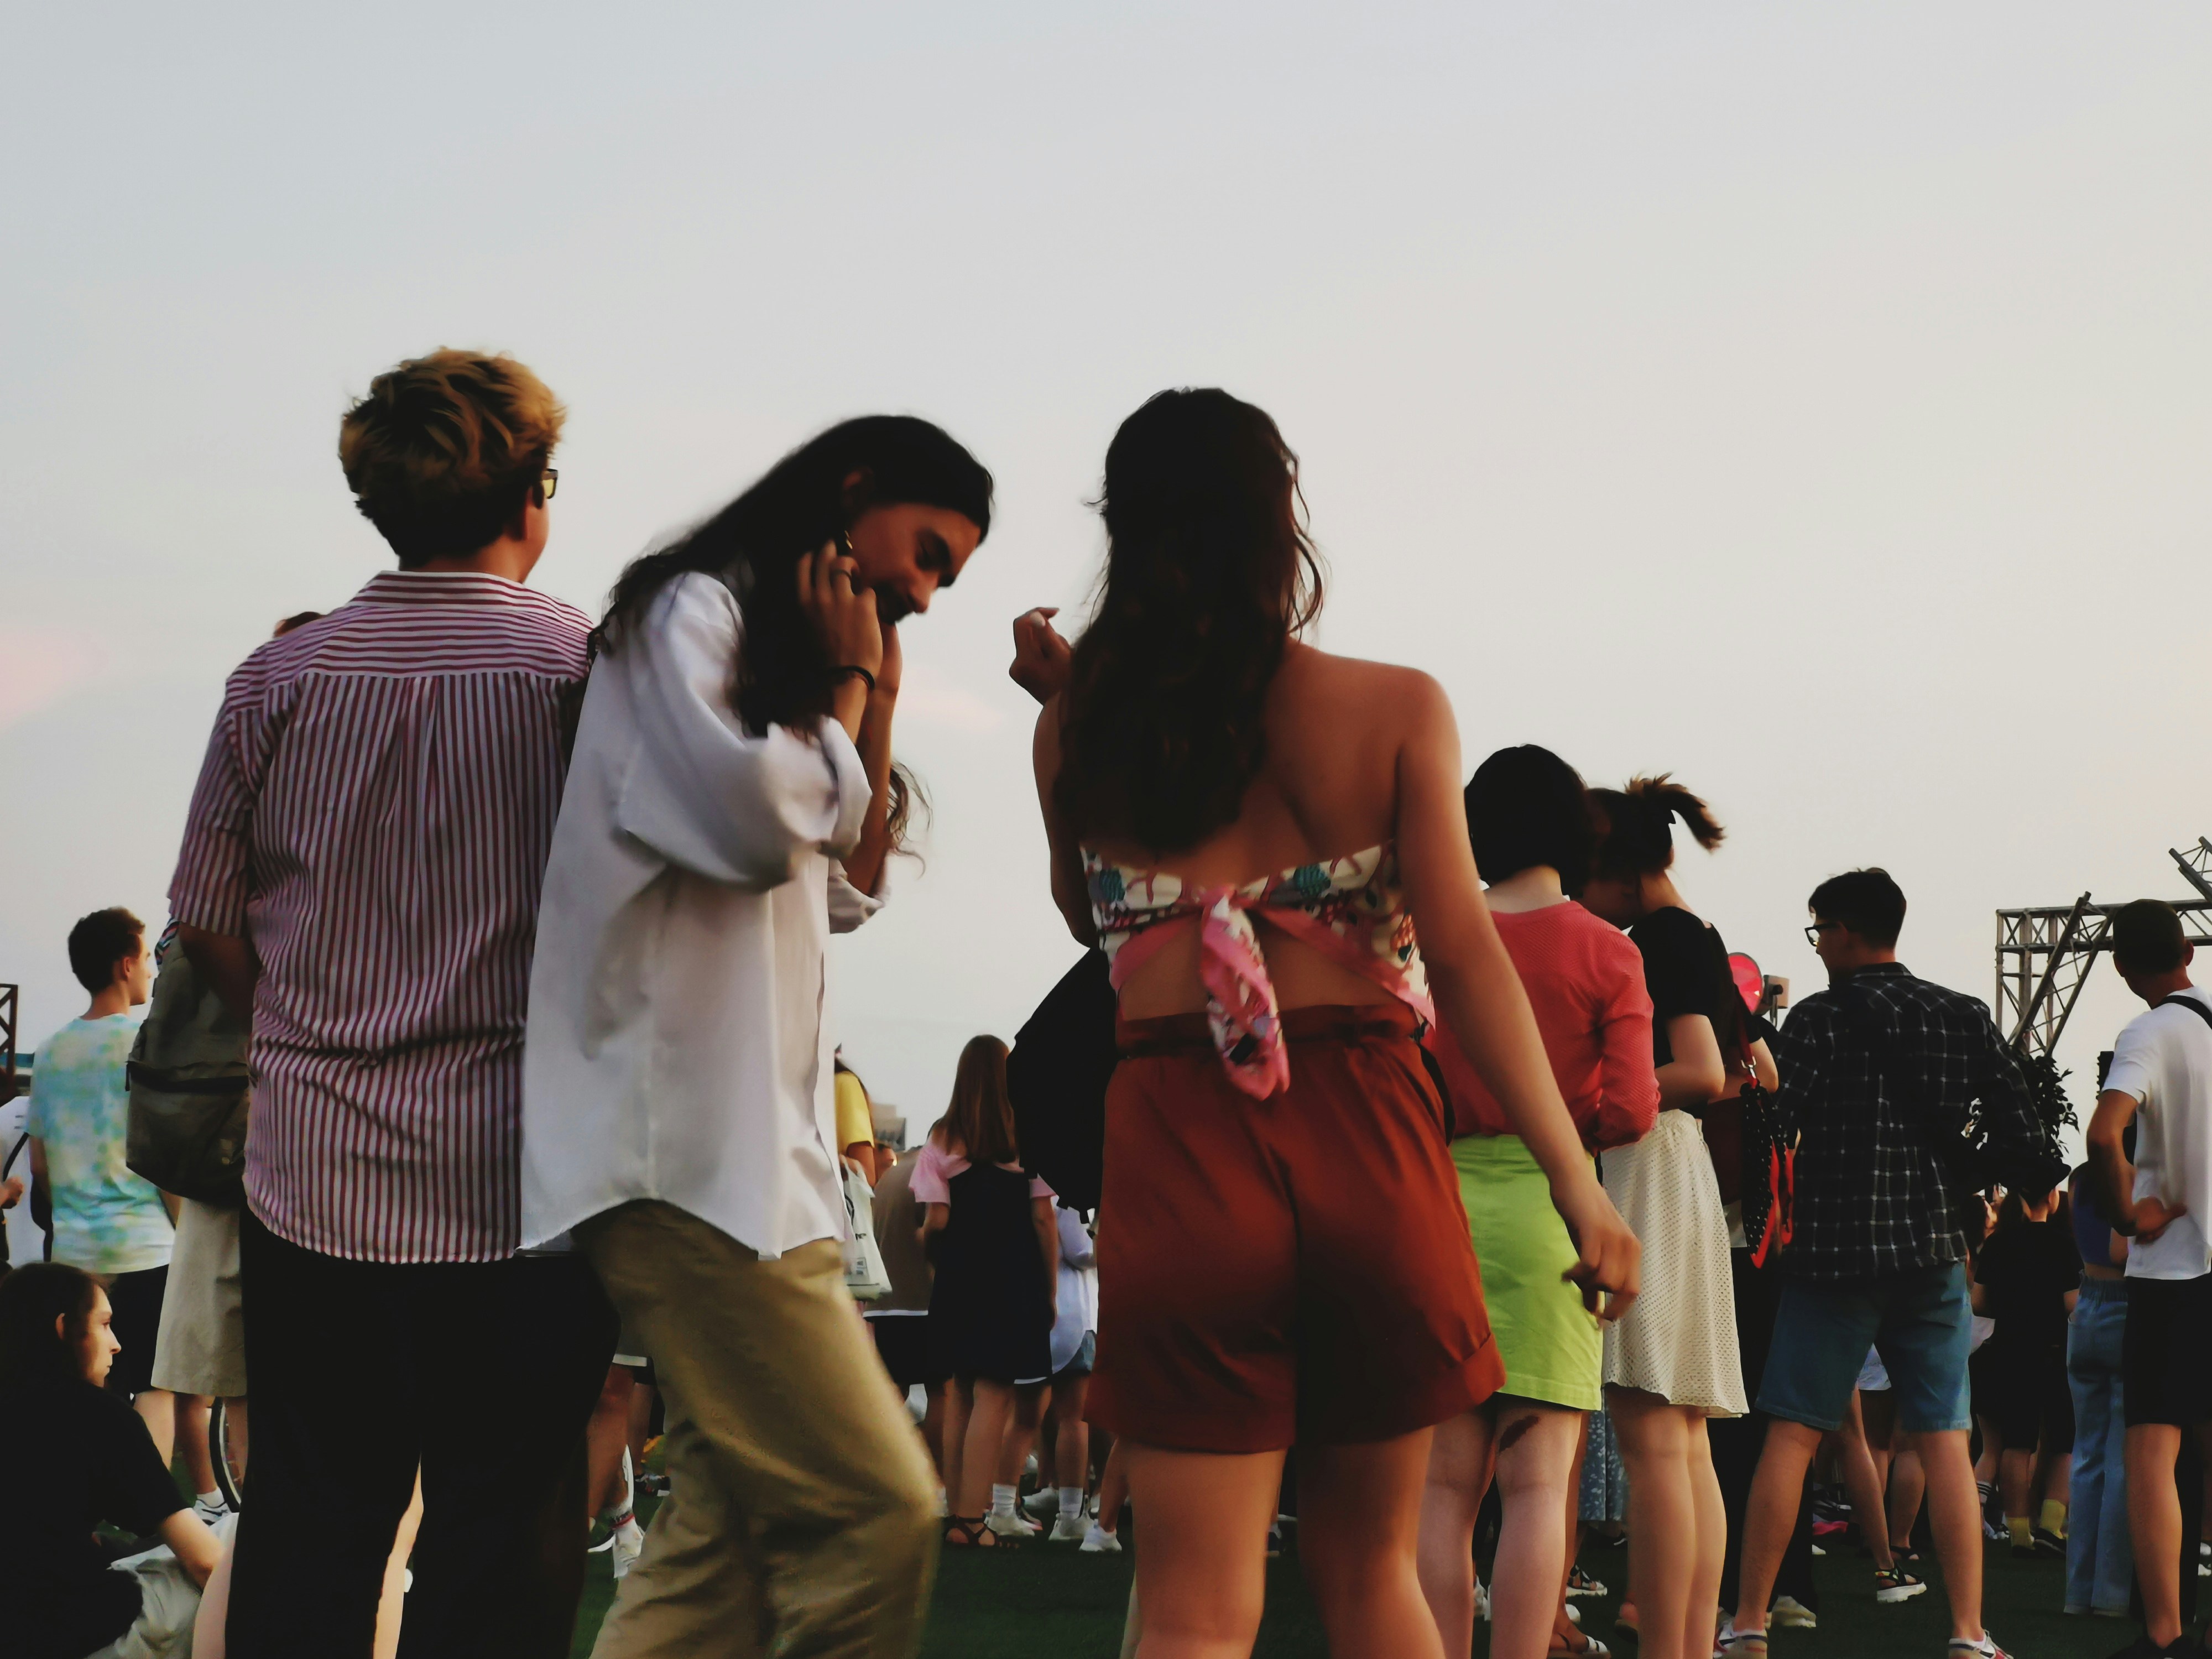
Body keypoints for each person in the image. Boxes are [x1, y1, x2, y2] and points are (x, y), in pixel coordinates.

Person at [1021, 388, 1639, 1658]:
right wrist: (1577, 1186)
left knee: (1193, 1605)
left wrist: (1073, 699)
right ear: (1279, 521)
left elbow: (1089, 918)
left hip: (1178, 1129)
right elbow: (1464, 959)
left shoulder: (1073, 730)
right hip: (1367, 1131)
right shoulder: (1398, 704)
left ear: (1124, 533)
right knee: (1372, 1579)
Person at [168, 349, 620, 1658]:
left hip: (316, 1167)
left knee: (314, 1520)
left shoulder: (284, 676)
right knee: (504, 1533)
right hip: (524, 1174)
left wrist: (303, 1020)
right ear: (534, 491)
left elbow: (205, 915)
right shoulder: (579, 668)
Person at [521, 415, 990, 1655]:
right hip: (680, 1151)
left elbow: (845, 882)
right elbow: (750, 822)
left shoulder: (779, 665)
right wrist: (844, 692)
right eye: (930, 552)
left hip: (749, 1167)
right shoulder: (689, 614)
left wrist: (870, 696)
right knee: (880, 1516)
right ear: (854, 491)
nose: (927, 594)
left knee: (716, 1553)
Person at [1726, 868, 2061, 1659]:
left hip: (1833, 1257)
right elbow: (2024, 1132)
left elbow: (1778, 1120)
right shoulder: (1961, 1015)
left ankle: (1747, 1624)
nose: (1818, 948)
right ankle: (1969, 1632)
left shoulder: (1815, 1019)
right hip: (1933, 1255)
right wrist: (2018, 1189)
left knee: (1794, 1436)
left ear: (1842, 931)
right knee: (1944, 1439)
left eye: (1819, 933)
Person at [1415, 744, 1660, 1659]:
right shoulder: (1609, 953)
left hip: (1436, 1209)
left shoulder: (1432, 940)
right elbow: (1633, 1109)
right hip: (1556, 1218)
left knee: (1441, 1491)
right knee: (1536, 1486)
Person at [1577, 778, 1758, 1659]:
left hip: (1646, 1160)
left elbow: (1700, 1067)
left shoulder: (1660, 939)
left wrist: (1580, 1100)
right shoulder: (1698, 933)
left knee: (1655, 1430)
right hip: (1678, 1166)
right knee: (1682, 1438)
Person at [2086, 899, 2212, 1659]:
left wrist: (2131, 1214)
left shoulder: (2151, 1031)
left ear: (2123, 966)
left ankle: (2164, 1634)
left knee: (2152, 1452)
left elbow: (2105, 1130)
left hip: (2177, 1269)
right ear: (2188, 945)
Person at [1, 1261, 227, 1659]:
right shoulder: (95, 1414)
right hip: (82, 1638)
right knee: (240, 1536)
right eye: (104, 1325)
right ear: (63, 1328)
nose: (116, 1344)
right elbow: (206, 1564)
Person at [25, 909, 182, 1464]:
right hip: (146, 1245)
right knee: (158, 1385)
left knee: (87, 1386)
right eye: (145, 959)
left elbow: (41, 1166)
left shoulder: (49, 1052)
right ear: (124, 965)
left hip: (73, 1251)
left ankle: (84, 1515)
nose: (149, 972)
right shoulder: (149, 1041)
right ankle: (147, 1520)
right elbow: (166, 1153)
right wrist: (185, 1229)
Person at [914, 1037, 1058, 1546]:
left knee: (960, 1396)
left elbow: (935, 1220)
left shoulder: (941, 1135)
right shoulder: (1028, 1135)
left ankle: (958, 1513)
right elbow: (1044, 1220)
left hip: (958, 1276)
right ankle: (976, 1522)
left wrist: (938, 1259)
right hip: (1011, 1274)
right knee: (995, 1396)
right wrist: (1051, 1290)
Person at [1973, 1185, 2079, 1554]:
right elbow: (2072, 1304)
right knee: (2065, 1440)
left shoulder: (1999, 1243)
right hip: (2053, 1350)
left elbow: (1979, 1303)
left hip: (2009, 1349)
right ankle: (2051, 1526)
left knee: (2016, 1442)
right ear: (2051, 1197)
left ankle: (2018, 1532)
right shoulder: (2064, 1243)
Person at [2064, 1159, 2132, 1619]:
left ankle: (2077, 1593)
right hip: (2125, 1305)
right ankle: (2111, 1595)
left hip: (2085, 1303)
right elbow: (2121, 1249)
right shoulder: (2130, 1174)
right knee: (2122, 1460)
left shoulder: (2079, 1177)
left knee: (2085, 1456)